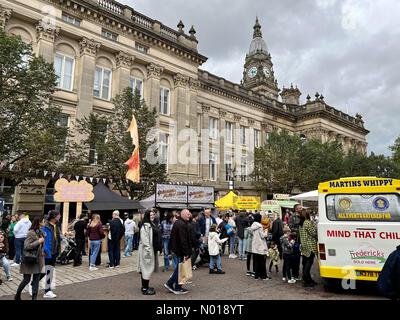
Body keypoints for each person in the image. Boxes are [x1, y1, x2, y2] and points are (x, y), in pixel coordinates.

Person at [14, 218, 46, 300]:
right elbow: (27, 246)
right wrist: (38, 241)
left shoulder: (41, 233)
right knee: (26, 280)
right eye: (43, 221)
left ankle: (34, 298)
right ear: (38, 223)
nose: (44, 223)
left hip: (38, 260)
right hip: (29, 259)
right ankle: (17, 295)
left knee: (36, 280)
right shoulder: (30, 233)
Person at [164, 209, 192, 295]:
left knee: (180, 268)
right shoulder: (181, 224)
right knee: (181, 269)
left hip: (178, 250)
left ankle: (176, 286)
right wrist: (186, 252)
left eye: (189, 214)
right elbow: (182, 240)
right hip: (180, 250)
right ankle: (173, 285)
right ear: (183, 214)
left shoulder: (179, 223)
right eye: (187, 214)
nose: (189, 215)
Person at [137, 209, 162, 295]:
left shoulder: (152, 224)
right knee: (146, 269)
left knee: (147, 269)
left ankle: (146, 286)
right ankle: (144, 288)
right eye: (150, 215)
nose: (152, 216)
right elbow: (145, 240)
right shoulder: (145, 226)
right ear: (147, 216)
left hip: (151, 250)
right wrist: (148, 251)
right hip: (147, 251)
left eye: (153, 215)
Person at [41, 210, 61, 299]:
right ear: (53, 217)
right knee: (45, 270)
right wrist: (45, 250)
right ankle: (37, 283)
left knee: (50, 271)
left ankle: (47, 290)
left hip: (54, 252)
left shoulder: (56, 225)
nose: (60, 216)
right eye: (58, 215)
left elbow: (57, 238)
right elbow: (43, 239)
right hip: (47, 252)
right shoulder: (45, 226)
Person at [299, 209, 318, 287]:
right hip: (310, 245)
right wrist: (314, 224)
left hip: (304, 245)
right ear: (307, 215)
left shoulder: (301, 223)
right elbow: (313, 233)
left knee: (306, 262)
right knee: (309, 263)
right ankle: (305, 279)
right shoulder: (307, 222)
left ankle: (308, 279)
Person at [250, 213, 269, 280]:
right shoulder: (260, 226)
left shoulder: (253, 225)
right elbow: (263, 236)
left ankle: (257, 276)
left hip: (255, 245)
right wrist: (266, 231)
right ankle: (263, 276)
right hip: (260, 245)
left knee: (256, 261)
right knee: (262, 261)